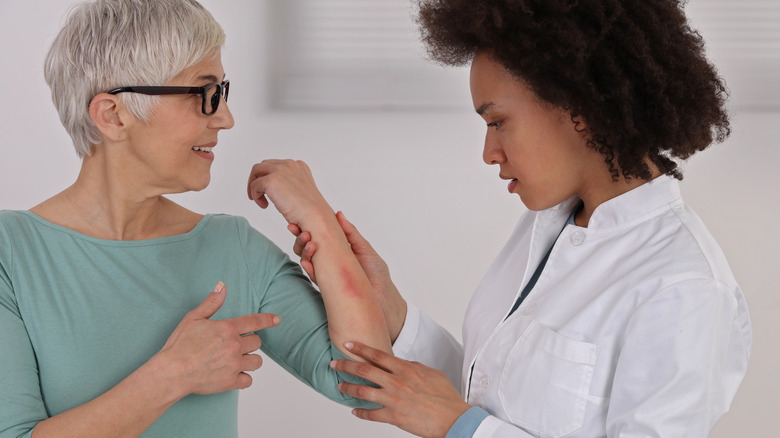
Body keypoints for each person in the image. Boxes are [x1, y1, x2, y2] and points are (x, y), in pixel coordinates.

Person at [280, 0, 753, 437]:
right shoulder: (550, 224)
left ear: (579, 109)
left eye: (497, 122)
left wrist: (461, 427)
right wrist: (394, 314)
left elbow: (469, 418)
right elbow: (493, 395)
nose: (488, 153)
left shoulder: (684, 286)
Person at [0, 1, 391, 437]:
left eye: (223, 92)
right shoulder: (10, 254)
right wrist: (173, 375)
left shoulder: (232, 247)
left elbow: (366, 383)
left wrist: (320, 222)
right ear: (113, 115)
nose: (225, 118)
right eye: (204, 94)